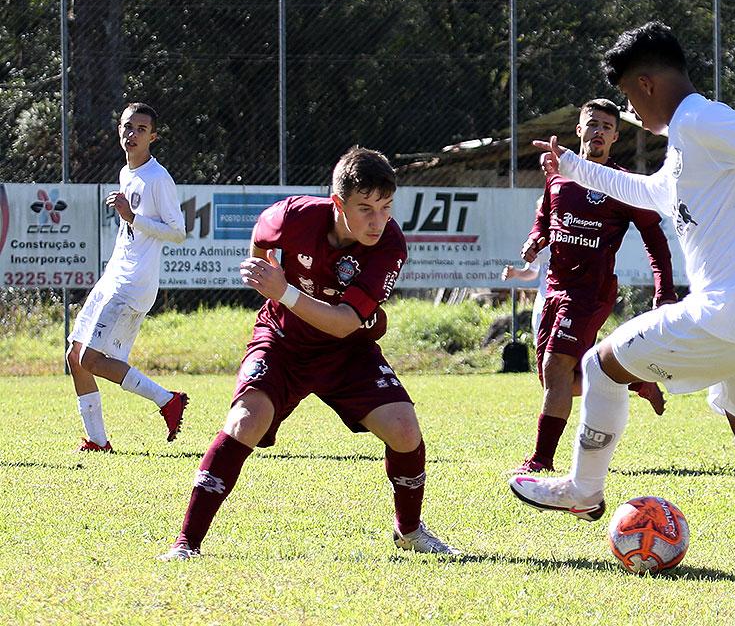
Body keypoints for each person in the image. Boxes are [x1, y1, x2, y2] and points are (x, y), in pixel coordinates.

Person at [510, 22, 735, 576]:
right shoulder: (687, 141)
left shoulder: (702, 118)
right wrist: (570, 166)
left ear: (647, 83)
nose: (632, 113)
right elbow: (651, 193)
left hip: (726, 313)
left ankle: (583, 490)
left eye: (631, 99)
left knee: (599, 364)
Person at [159, 147, 458, 560]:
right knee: (246, 420)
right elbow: (262, 237)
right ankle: (185, 544)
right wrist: (261, 271)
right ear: (338, 203)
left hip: (346, 351)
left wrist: (282, 289)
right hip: (283, 340)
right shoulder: (295, 215)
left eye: (386, 206)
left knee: (405, 430)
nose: (378, 220)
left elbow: (342, 323)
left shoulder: (389, 244)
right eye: (365, 208)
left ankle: (409, 530)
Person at [510, 98, 678, 475]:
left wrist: (664, 288)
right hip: (555, 286)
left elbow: (654, 235)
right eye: (593, 124)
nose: (599, 131)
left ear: (615, 136)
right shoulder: (557, 174)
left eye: (607, 126)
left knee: (556, 368)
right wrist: (536, 240)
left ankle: (541, 460)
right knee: (557, 381)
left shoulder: (620, 184)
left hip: (591, 292)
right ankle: (634, 378)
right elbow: (545, 219)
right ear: (579, 130)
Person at [66, 102, 188, 452]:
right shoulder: (126, 172)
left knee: (90, 358)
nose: (131, 134)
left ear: (153, 135)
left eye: (140, 129)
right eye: (127, 127)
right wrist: (130, 217)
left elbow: (178, 232)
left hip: (134, 283)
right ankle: (98, 441)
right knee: (75, 356)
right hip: (113, 277)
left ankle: (167, 400)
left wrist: (133, 216)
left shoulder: (157, 178)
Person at [502, 239, 550, 343]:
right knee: (541, 349)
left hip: (568, 307)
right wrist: (515, 273)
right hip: (543, 306)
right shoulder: (542, 240)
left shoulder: (576, 238)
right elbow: (532, 271)